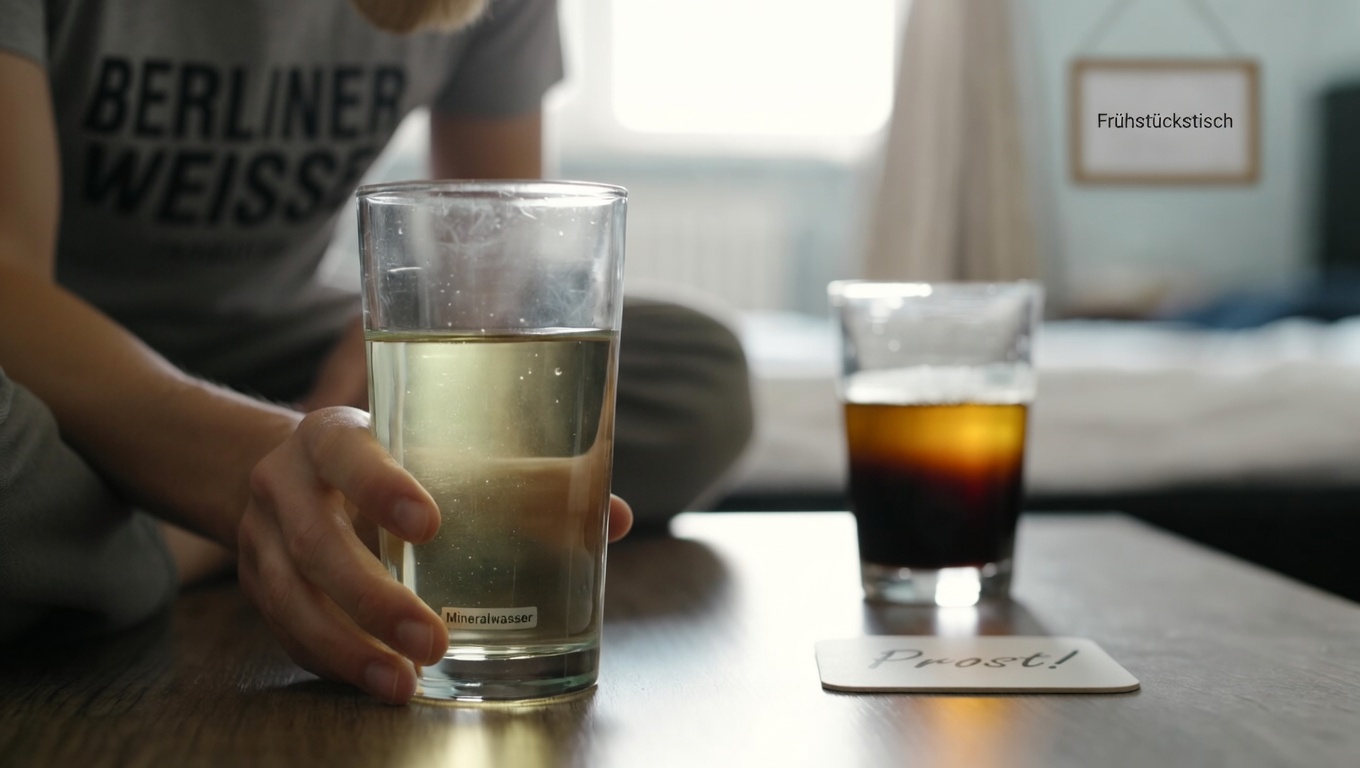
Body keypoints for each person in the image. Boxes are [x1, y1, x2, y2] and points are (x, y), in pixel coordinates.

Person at [0, 0, 753, 704]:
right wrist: (254, 462)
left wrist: (333, 411)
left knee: (696, 371)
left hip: (280, 347)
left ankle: (239, 514)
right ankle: (230, 525)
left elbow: (486, 271)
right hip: (47, 363)